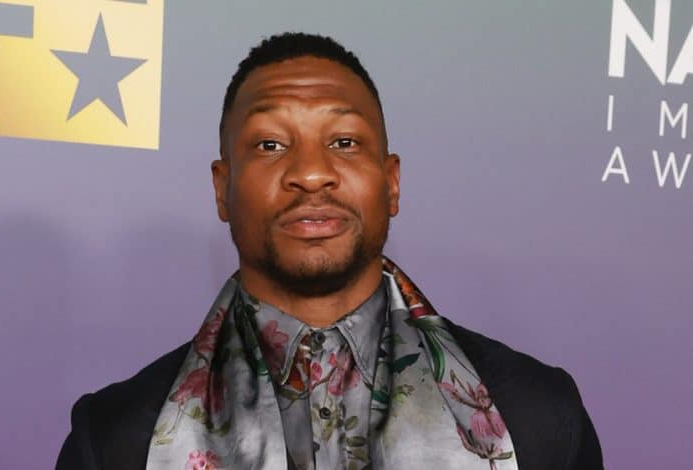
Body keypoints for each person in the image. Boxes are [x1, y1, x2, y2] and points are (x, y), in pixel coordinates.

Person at [56, 32, 603, 470]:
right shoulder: (117, 439)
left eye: (344, 142)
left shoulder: (539, 416)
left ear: (391, 183)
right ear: (222, 188)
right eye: (270, 144)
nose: (312, 173)